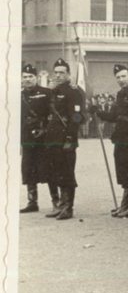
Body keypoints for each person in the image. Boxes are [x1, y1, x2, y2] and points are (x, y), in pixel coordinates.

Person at [92, 65, 128, 217]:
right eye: (118, 77)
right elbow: (113, 116)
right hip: (120, 138)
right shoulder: (119, 95)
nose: (121, 80)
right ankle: (125, 204)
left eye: (123, 76)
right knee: (123, 171)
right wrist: (97, 111)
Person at [44, 58, 84, 220]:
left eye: (62, 72)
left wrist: (70, 138)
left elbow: (76, 116)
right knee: (54, 171)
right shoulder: (53, 91)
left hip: (65, 138)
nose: (59, 75)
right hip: (52, 137)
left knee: (67, 172)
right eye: (56, 72)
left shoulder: (73, 92)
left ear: (68, 74)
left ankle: (68, 207)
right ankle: (60, 204)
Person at [20, 63, 52, 213]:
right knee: (28, 169)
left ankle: (56, 201)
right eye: (25, 77)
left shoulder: (46, 93)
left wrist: (45, 129)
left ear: (36, 77)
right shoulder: (19, 95)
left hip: (43, 137)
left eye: (30, 77)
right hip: (27, 138)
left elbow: (53, 115)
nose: (27, 79)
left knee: (48, 168)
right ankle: (32, 202)